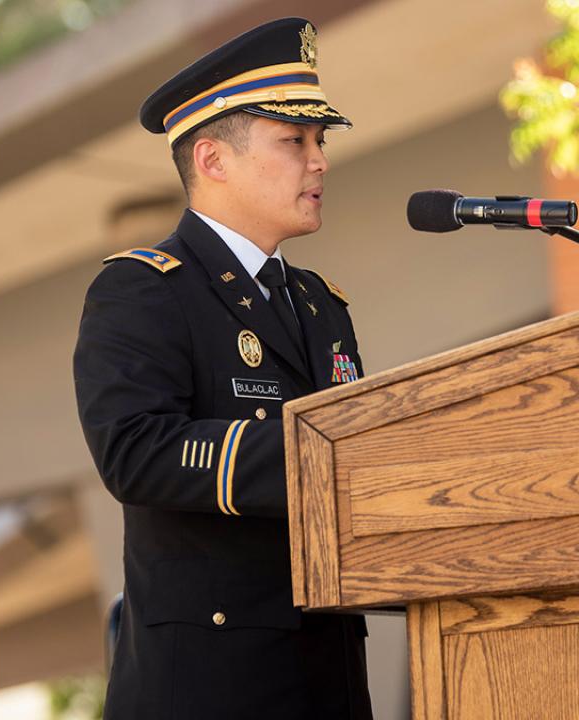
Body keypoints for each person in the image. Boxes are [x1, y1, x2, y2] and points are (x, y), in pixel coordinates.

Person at [72, 17, 371, 719]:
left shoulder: (321, 304)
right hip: (210, 684)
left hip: (327, 676)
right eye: (294, 140)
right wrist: (318, 454)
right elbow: (134, 450)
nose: (319, 161)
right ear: (212, 160)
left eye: (320, 142)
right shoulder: (143, 289)